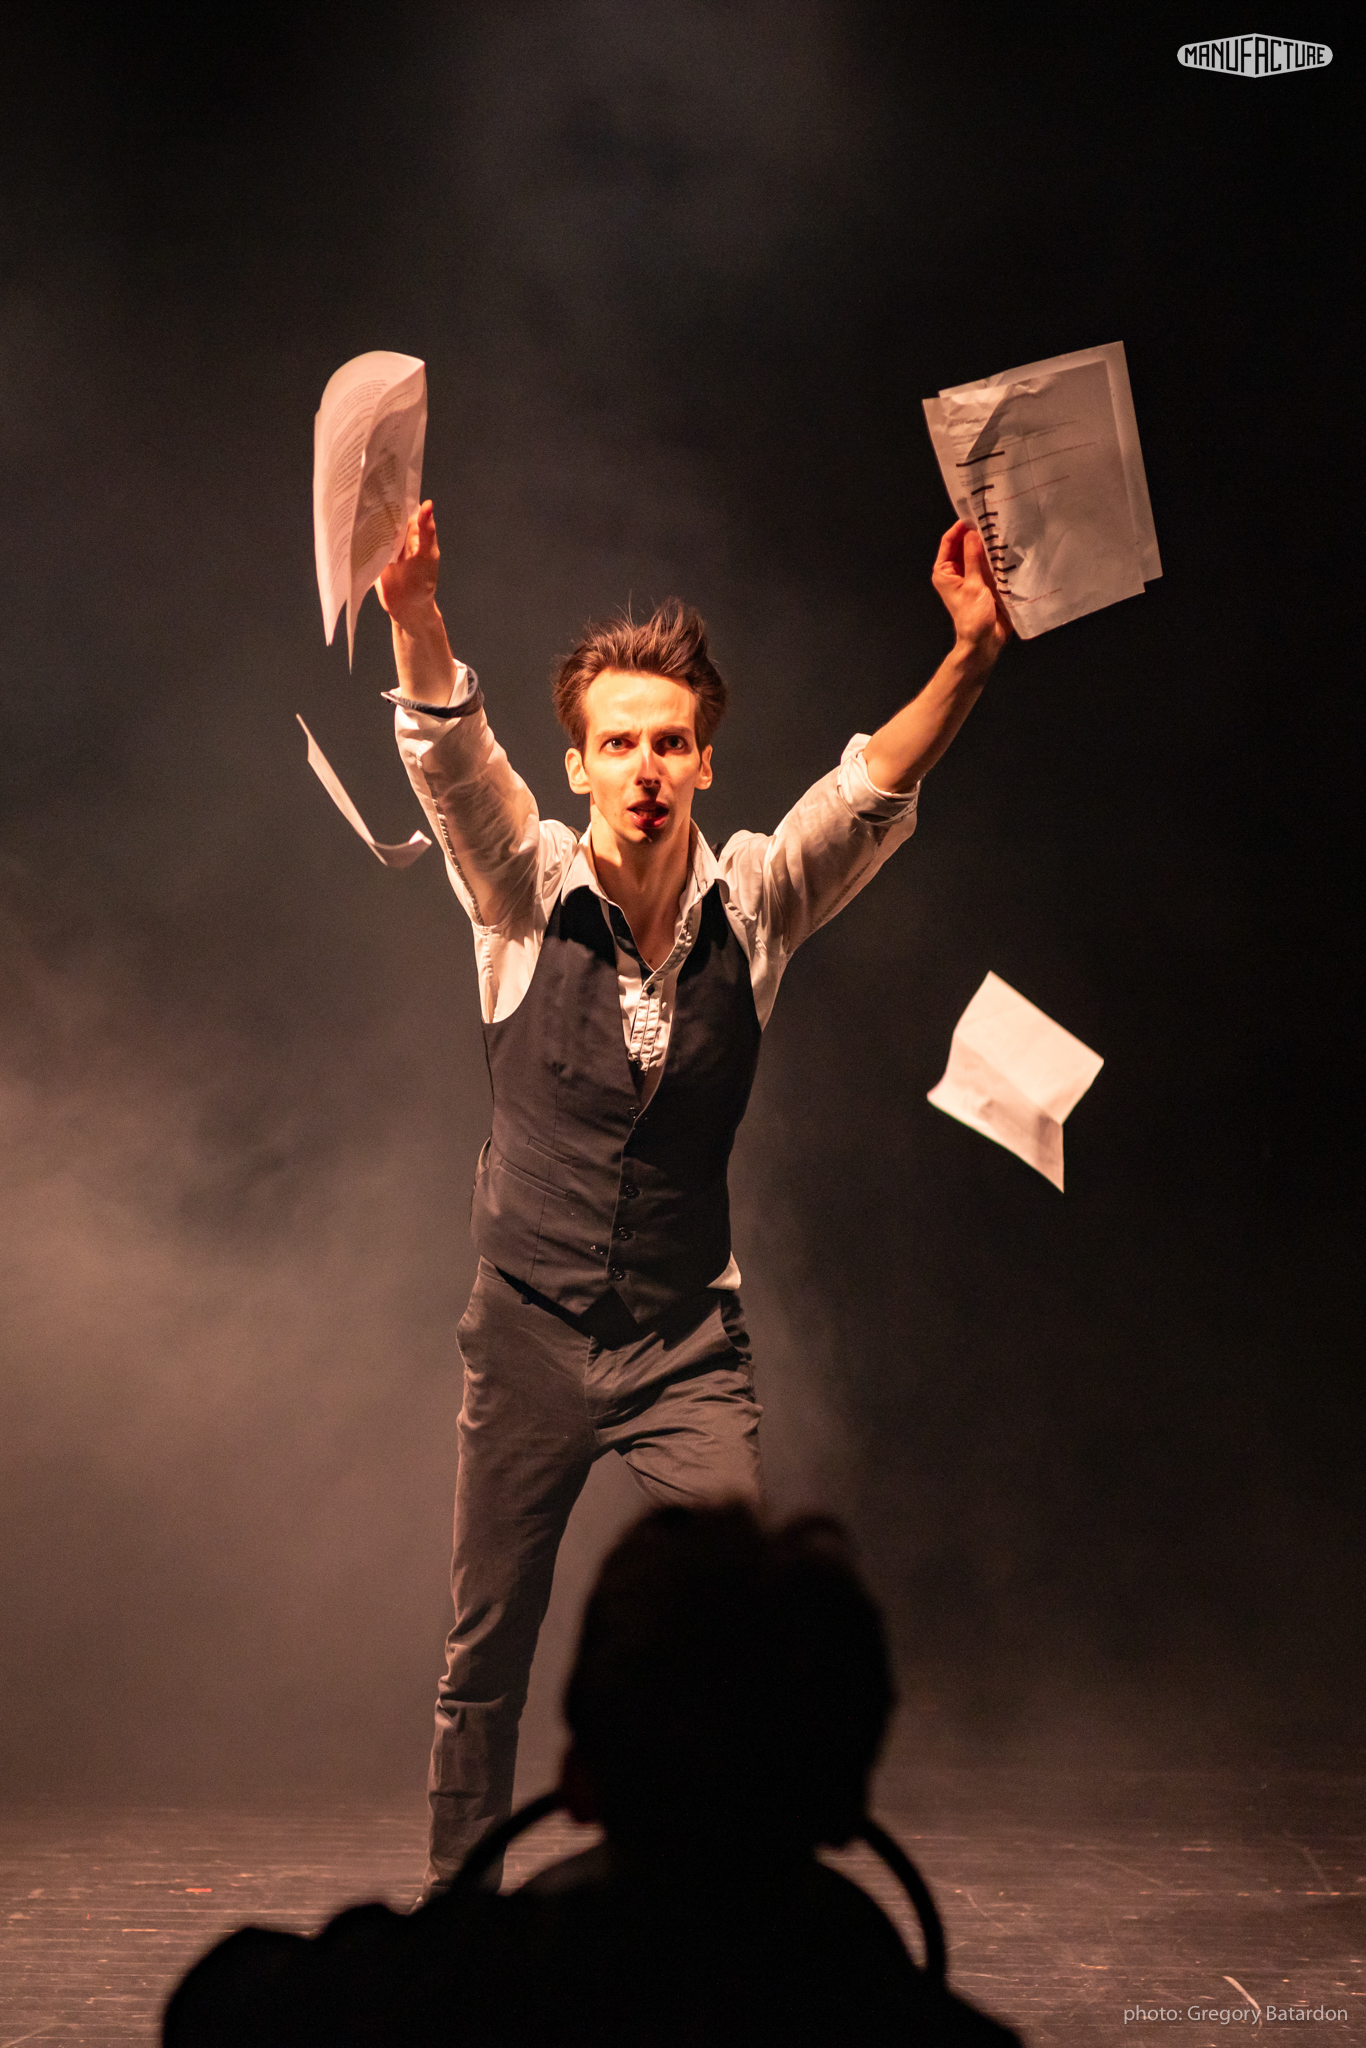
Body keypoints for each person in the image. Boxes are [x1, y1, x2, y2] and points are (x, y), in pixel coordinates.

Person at [378, 507, 1009, 1893]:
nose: (645, 768)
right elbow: (454, 767)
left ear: (703, 758)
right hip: (527, 1336)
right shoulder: (521, 892)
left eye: (669, 742)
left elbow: (868, 788)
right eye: (618, 743)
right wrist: (416, 615)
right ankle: (453, 1927)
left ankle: (729, 1908)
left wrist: (969, 657)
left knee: (743, 1636)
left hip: (680, 1345)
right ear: (579, 764)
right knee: (484, 1654)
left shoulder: (758, 904)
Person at [162, 1504, 1024, 2047]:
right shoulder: (904, 2023)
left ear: (579, 1776)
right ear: (847, 1802)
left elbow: (214, 2005)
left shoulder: (450, 1993)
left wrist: (446, 1949)